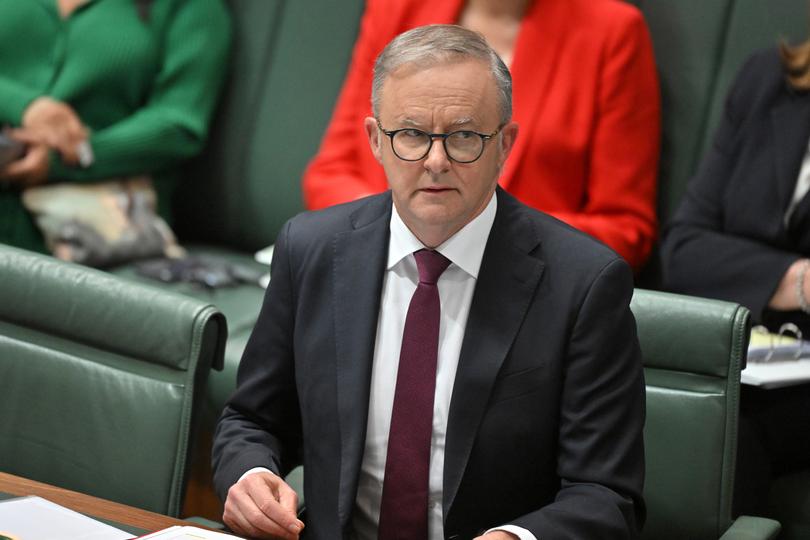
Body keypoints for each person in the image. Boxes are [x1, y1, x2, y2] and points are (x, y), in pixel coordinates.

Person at [212, 25, 645, 540]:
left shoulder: (585, 285)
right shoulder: (310, 249)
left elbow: (607, 496)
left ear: (504, 143)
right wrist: (251, 475)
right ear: (375, 140)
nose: (436, 161)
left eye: (463, 136)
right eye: (412, 134)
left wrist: (516, 539)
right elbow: (251, 419)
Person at [302, 0, 660, 272]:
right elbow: (328, 174)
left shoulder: (612, 31)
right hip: (380, 266)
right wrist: (397, 235)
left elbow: (626, 230)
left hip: (518, 282)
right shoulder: (397, 7)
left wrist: (476, 241)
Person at [661, 44, 810, 515]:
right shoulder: (767, 76)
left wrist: (747, 267)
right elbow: (684, 250)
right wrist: (798, 280)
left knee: (722, 429)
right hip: (746, 342)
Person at [0, 0, 230, 253]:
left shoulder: (190, 8)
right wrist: (24, 106)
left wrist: (73, 155)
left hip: (82, 226)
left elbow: (178, 125)